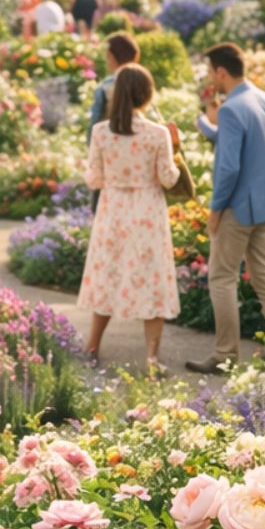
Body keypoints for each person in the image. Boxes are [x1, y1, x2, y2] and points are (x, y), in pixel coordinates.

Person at [187, 44, 265, 374]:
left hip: (237, 206)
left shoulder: (231, 109)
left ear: (221, 72)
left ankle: (225, 355)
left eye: (209, 71)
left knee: (221, 278)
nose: (208, 78)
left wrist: (216, 209)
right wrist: (207, 125)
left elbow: (229, 168)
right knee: (264, 275)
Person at [79, 64, 181, 372]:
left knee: (107, 278)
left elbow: (94, 180)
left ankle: (92, 347)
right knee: (152, 282)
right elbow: (168, 179)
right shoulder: (157, 134)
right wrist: (175, 153)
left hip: (112, 212)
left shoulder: (100, 132)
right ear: (146, 94)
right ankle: (151, 360)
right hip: (147, 212)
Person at [88, 32, 141, 141]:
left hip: (112, 145)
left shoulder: (105, 87)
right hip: (141, 145)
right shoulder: (143, 81)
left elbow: (95, 122)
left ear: (111, 56)